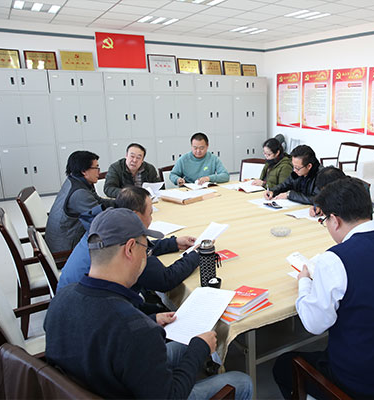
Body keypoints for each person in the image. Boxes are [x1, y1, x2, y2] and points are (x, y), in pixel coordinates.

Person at [44, 208, 253, 399]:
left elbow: (106, 331)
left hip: (99, 381)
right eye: (146, 249)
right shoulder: (136, 330)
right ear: (130, 249)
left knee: (184, 344)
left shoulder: (61, 299)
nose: (146, 256)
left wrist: (151, 319)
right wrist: (199, 350)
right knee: (241, 382)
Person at [273, 178, 374, 399]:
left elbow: (314, 324)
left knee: (283, 365)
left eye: (324, 220)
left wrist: (304, 282)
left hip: (363, 383)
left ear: (335, 220)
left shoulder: (335, 259)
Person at [58, 187, 198, 300]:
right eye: (150, 214)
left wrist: (174, 243)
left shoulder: (105, 225)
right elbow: (165, 280)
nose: (151, 219)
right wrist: (197, 255)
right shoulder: (126, 243)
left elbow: (144, 247)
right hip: (91, 310)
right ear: (135, 215)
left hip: (69, 298)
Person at [45, 151, 115, 253]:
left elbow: (98, 201)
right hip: (65, 248)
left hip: (60, 238)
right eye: (96, 168)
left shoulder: (74, 180)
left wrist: (120, 202)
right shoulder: (80, 193)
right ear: (84, 171)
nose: (98, 172)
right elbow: (101, 220)